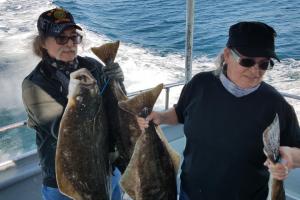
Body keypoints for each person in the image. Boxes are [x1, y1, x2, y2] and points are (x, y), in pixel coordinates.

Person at [137, 21, 300, 200]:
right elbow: (180, 113)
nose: (256, 70)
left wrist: (290, 158)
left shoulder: (276, 105)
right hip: (190, 193)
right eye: (247, 61)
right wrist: (160, 116)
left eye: (264, 64)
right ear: (227, 55)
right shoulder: (200, 84)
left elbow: (297, 151)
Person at [22, 8, 124, 200]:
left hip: (106, 168)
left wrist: (117, 83)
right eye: (61, 38)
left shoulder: (93, 66)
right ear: (43, 42)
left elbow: (116, 110)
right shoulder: (35, 84)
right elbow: (63, 130)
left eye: (74, 37)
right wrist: (83, 93)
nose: (69, 44)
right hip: (66, 182)